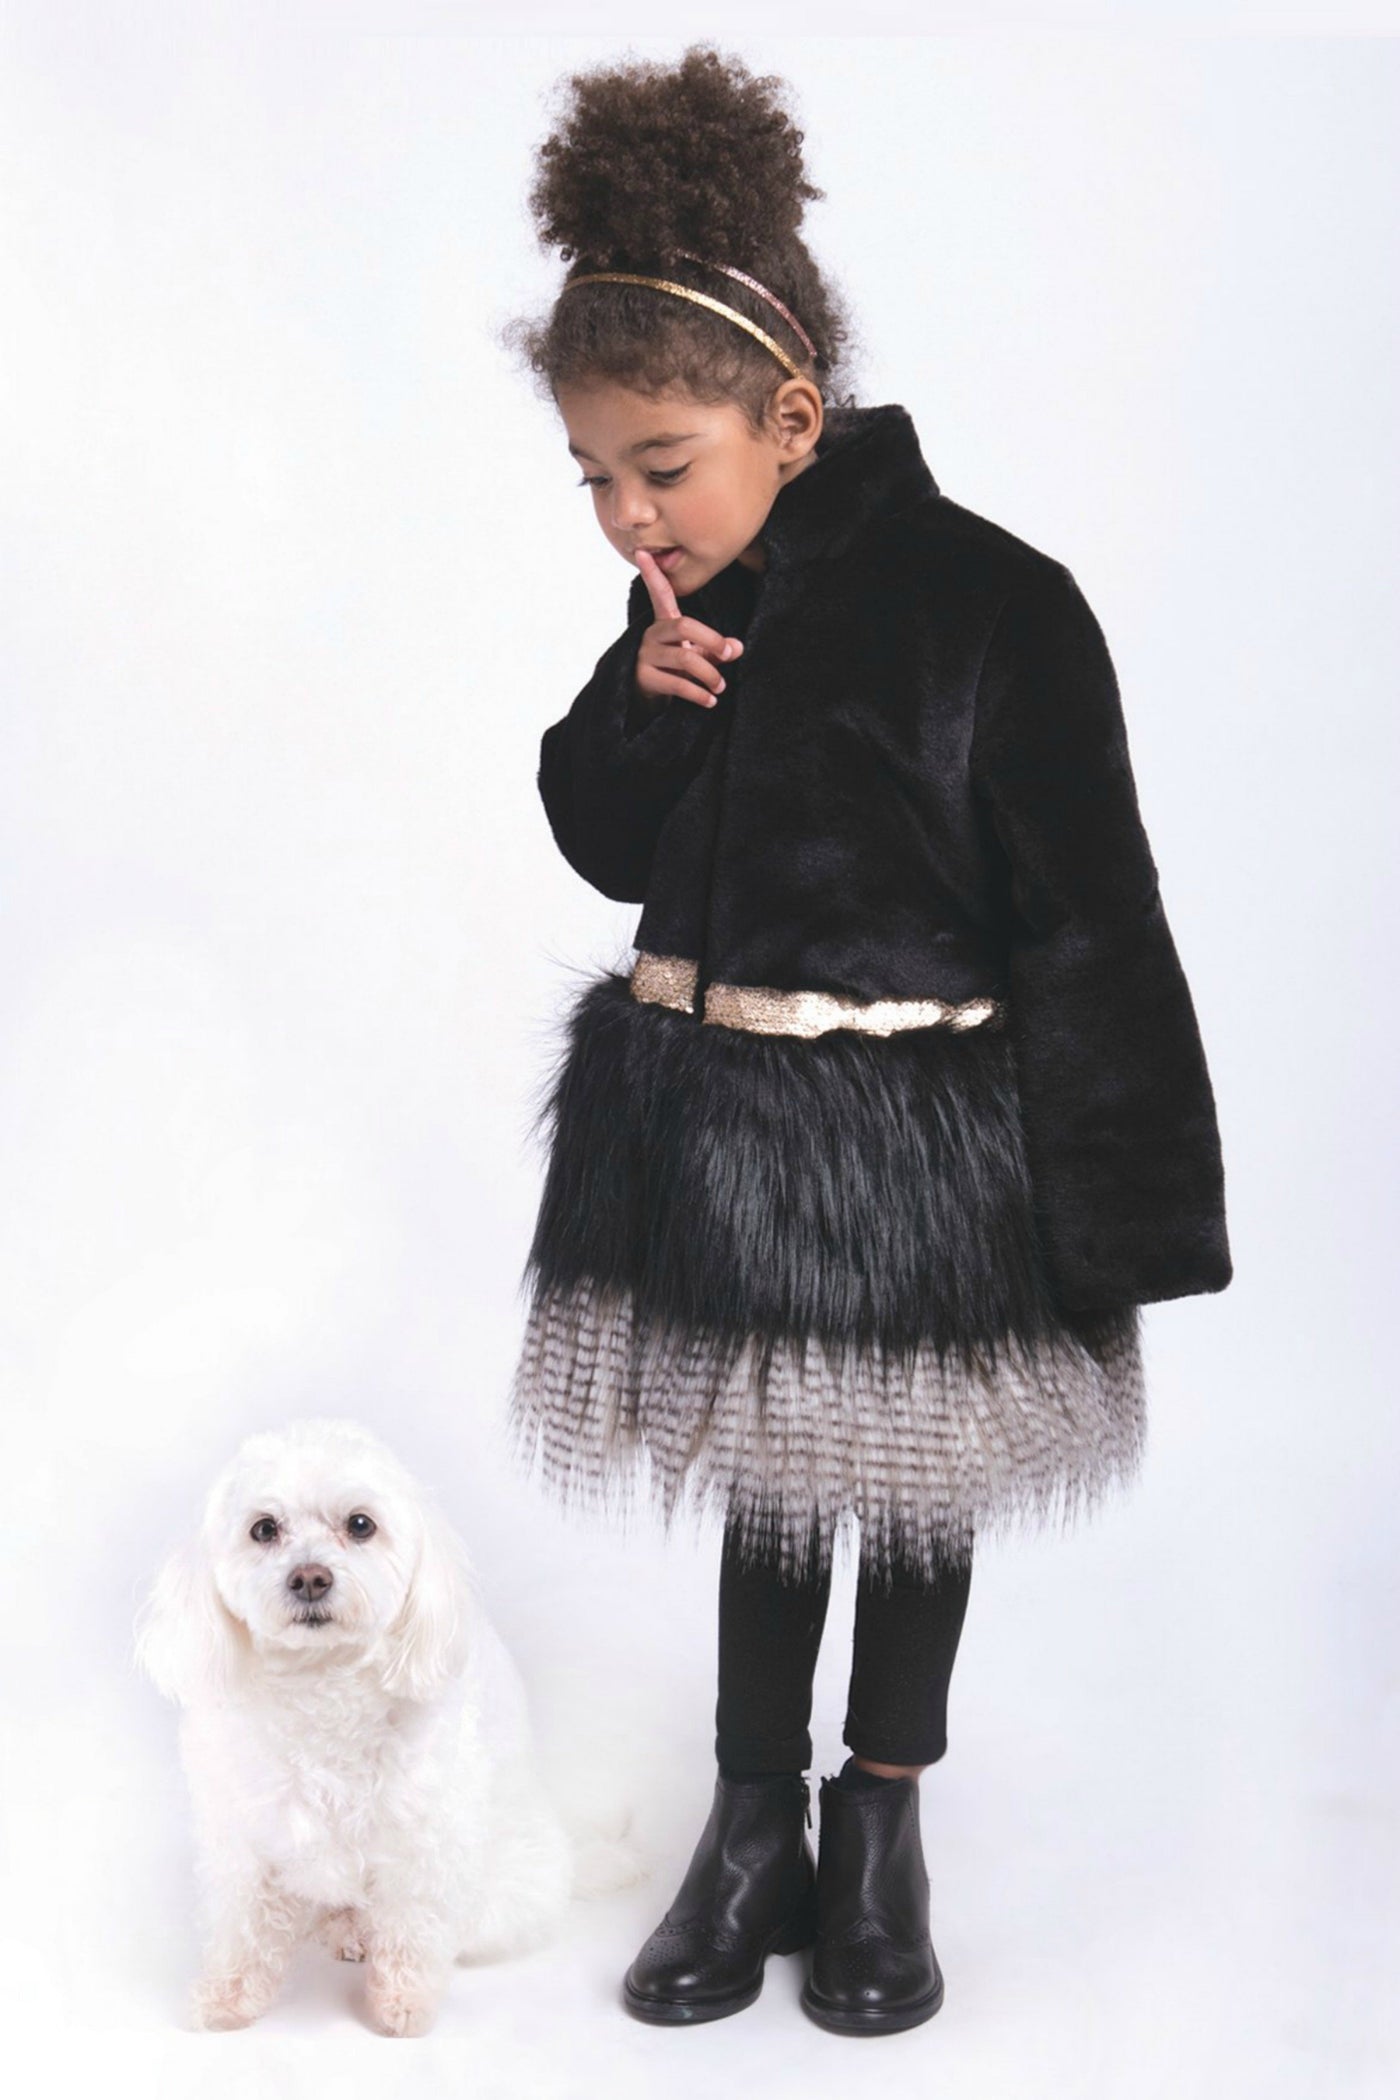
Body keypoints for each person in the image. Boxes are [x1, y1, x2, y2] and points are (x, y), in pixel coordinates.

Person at [499, 44, 1232, 2039]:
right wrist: (643, 703)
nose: (627, 514)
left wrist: (1122, 1215)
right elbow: (603, 841)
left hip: (926, 1151)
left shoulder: (995, 606)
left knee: (909, 1488)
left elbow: (1091, 920)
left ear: (791, 416)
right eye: (594, 477)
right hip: (717, 1132)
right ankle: (754, 1824)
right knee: (768, 1481)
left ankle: (880, 1822)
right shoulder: (689, 614)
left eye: (660, 465)